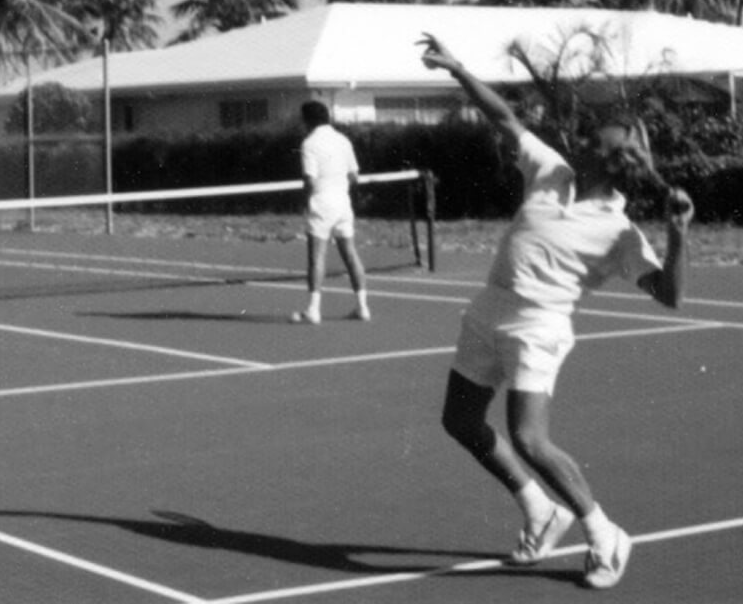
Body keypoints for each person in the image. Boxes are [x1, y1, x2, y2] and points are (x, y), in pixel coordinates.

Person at [418, 33, 693, 590]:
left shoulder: (619, 231)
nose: (582, 138)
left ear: (612, 160)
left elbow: (669, 294)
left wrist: (677, 235)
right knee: (460, 420)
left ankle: (603, 532)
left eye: (595, 138)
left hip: (538, 327)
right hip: (488, 310)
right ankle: (541, 510)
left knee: (529, 439)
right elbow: (504, 119)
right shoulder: (551, 171)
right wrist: (457, 68)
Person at [290, 100, 371, 324]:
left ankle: (313, 311)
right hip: (342, 202)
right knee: (351, 254)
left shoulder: (309, 144)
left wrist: (306, 201)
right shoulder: (343, 140)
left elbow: (310, 179)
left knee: (316, 257)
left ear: (307, 120)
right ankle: (363, 307)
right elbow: (354, 175)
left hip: (322, 202)